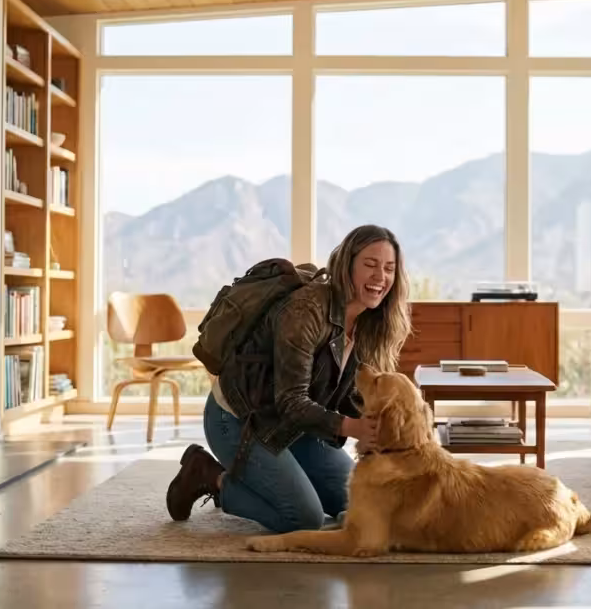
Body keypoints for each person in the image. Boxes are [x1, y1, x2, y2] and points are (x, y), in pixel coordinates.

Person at [166, 224, 412, 533]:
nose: (380, 278)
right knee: (302, 517)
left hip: (299, 428)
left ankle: (289, 477)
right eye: (370, 265)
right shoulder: (306, 310)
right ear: (348, 264)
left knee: (362, 504)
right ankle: (209, 476)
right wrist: (352, 427)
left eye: (389, 268)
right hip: (242, 421)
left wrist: (389, 432)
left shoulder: (369, 322)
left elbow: (349, 394)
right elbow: (290, 401)